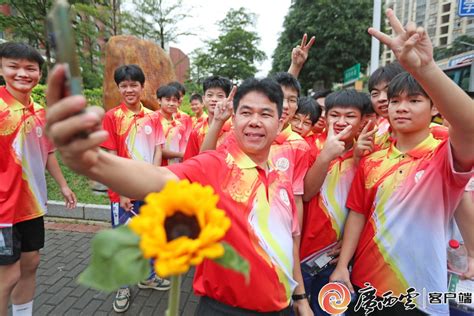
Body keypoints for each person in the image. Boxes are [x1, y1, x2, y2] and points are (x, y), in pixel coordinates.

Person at [45, 74, 313, 315]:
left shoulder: (281, 179)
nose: (255, 121)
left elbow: (288, 243)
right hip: (225, 310)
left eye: (265, 114)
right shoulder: (214, 165)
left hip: (283, 307)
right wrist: (92, 162)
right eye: (246, 112)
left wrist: (300, 298)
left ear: (280, 122)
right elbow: (158, 179)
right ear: (234, 118)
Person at [330, 9, 474, 315]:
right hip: (368, 286)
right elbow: (357, 212)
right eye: (394, 101)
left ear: (435, 107)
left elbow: (470, 127)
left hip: (421, 295)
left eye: (414, 100)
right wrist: (343, 266)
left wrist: (429, 69)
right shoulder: (373, 159)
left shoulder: (443, 157)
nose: (400, 108)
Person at [0, 42, 77, 316]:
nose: (22, 73)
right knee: (7, 276)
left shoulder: (40, 110)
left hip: (31, 205)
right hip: (3, 209)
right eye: (13, 66)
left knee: (31, 264)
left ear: (39, 74)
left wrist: (64, 186)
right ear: (1, 69)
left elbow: (48, 153)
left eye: (30, 68)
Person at [101, 64, 169, 313]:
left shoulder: (153, 116)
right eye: (124, 85)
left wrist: (153, 181)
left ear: (142, 86)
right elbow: (109, 155)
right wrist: (121, 191)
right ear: (118, 87)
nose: (129, 89)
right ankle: (122, 286)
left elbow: (158, 150)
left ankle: (148, 275)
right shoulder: (112, 117)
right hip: (123, 192)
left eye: (133, 85)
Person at [300, 90, 372, 315]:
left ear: (362, 121)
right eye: (334, 115)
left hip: (340, 257)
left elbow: (367, 206)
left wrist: (360, 160)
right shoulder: (307, 146)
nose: (341, 122)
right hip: (302, 253)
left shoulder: (372, 154)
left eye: (350, 116)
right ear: (326, 116)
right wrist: (326, 155)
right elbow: (307, 193)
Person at [183, 75, 232, 160]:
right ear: (204, 99)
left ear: (227, 99)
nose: (214, 99)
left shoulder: (235, 128)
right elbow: (189, 162)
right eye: (210, 95)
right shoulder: (196, 132)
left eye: (220, 96)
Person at [156, 85, 187, 165]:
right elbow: (153, 149)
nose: (171, 104)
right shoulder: (151, 120)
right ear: (159, 100)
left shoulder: (179, 126)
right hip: (155, 170)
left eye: (174, 100)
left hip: (174, 171)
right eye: (168, 100)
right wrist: (180, 154)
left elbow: (184, 149)